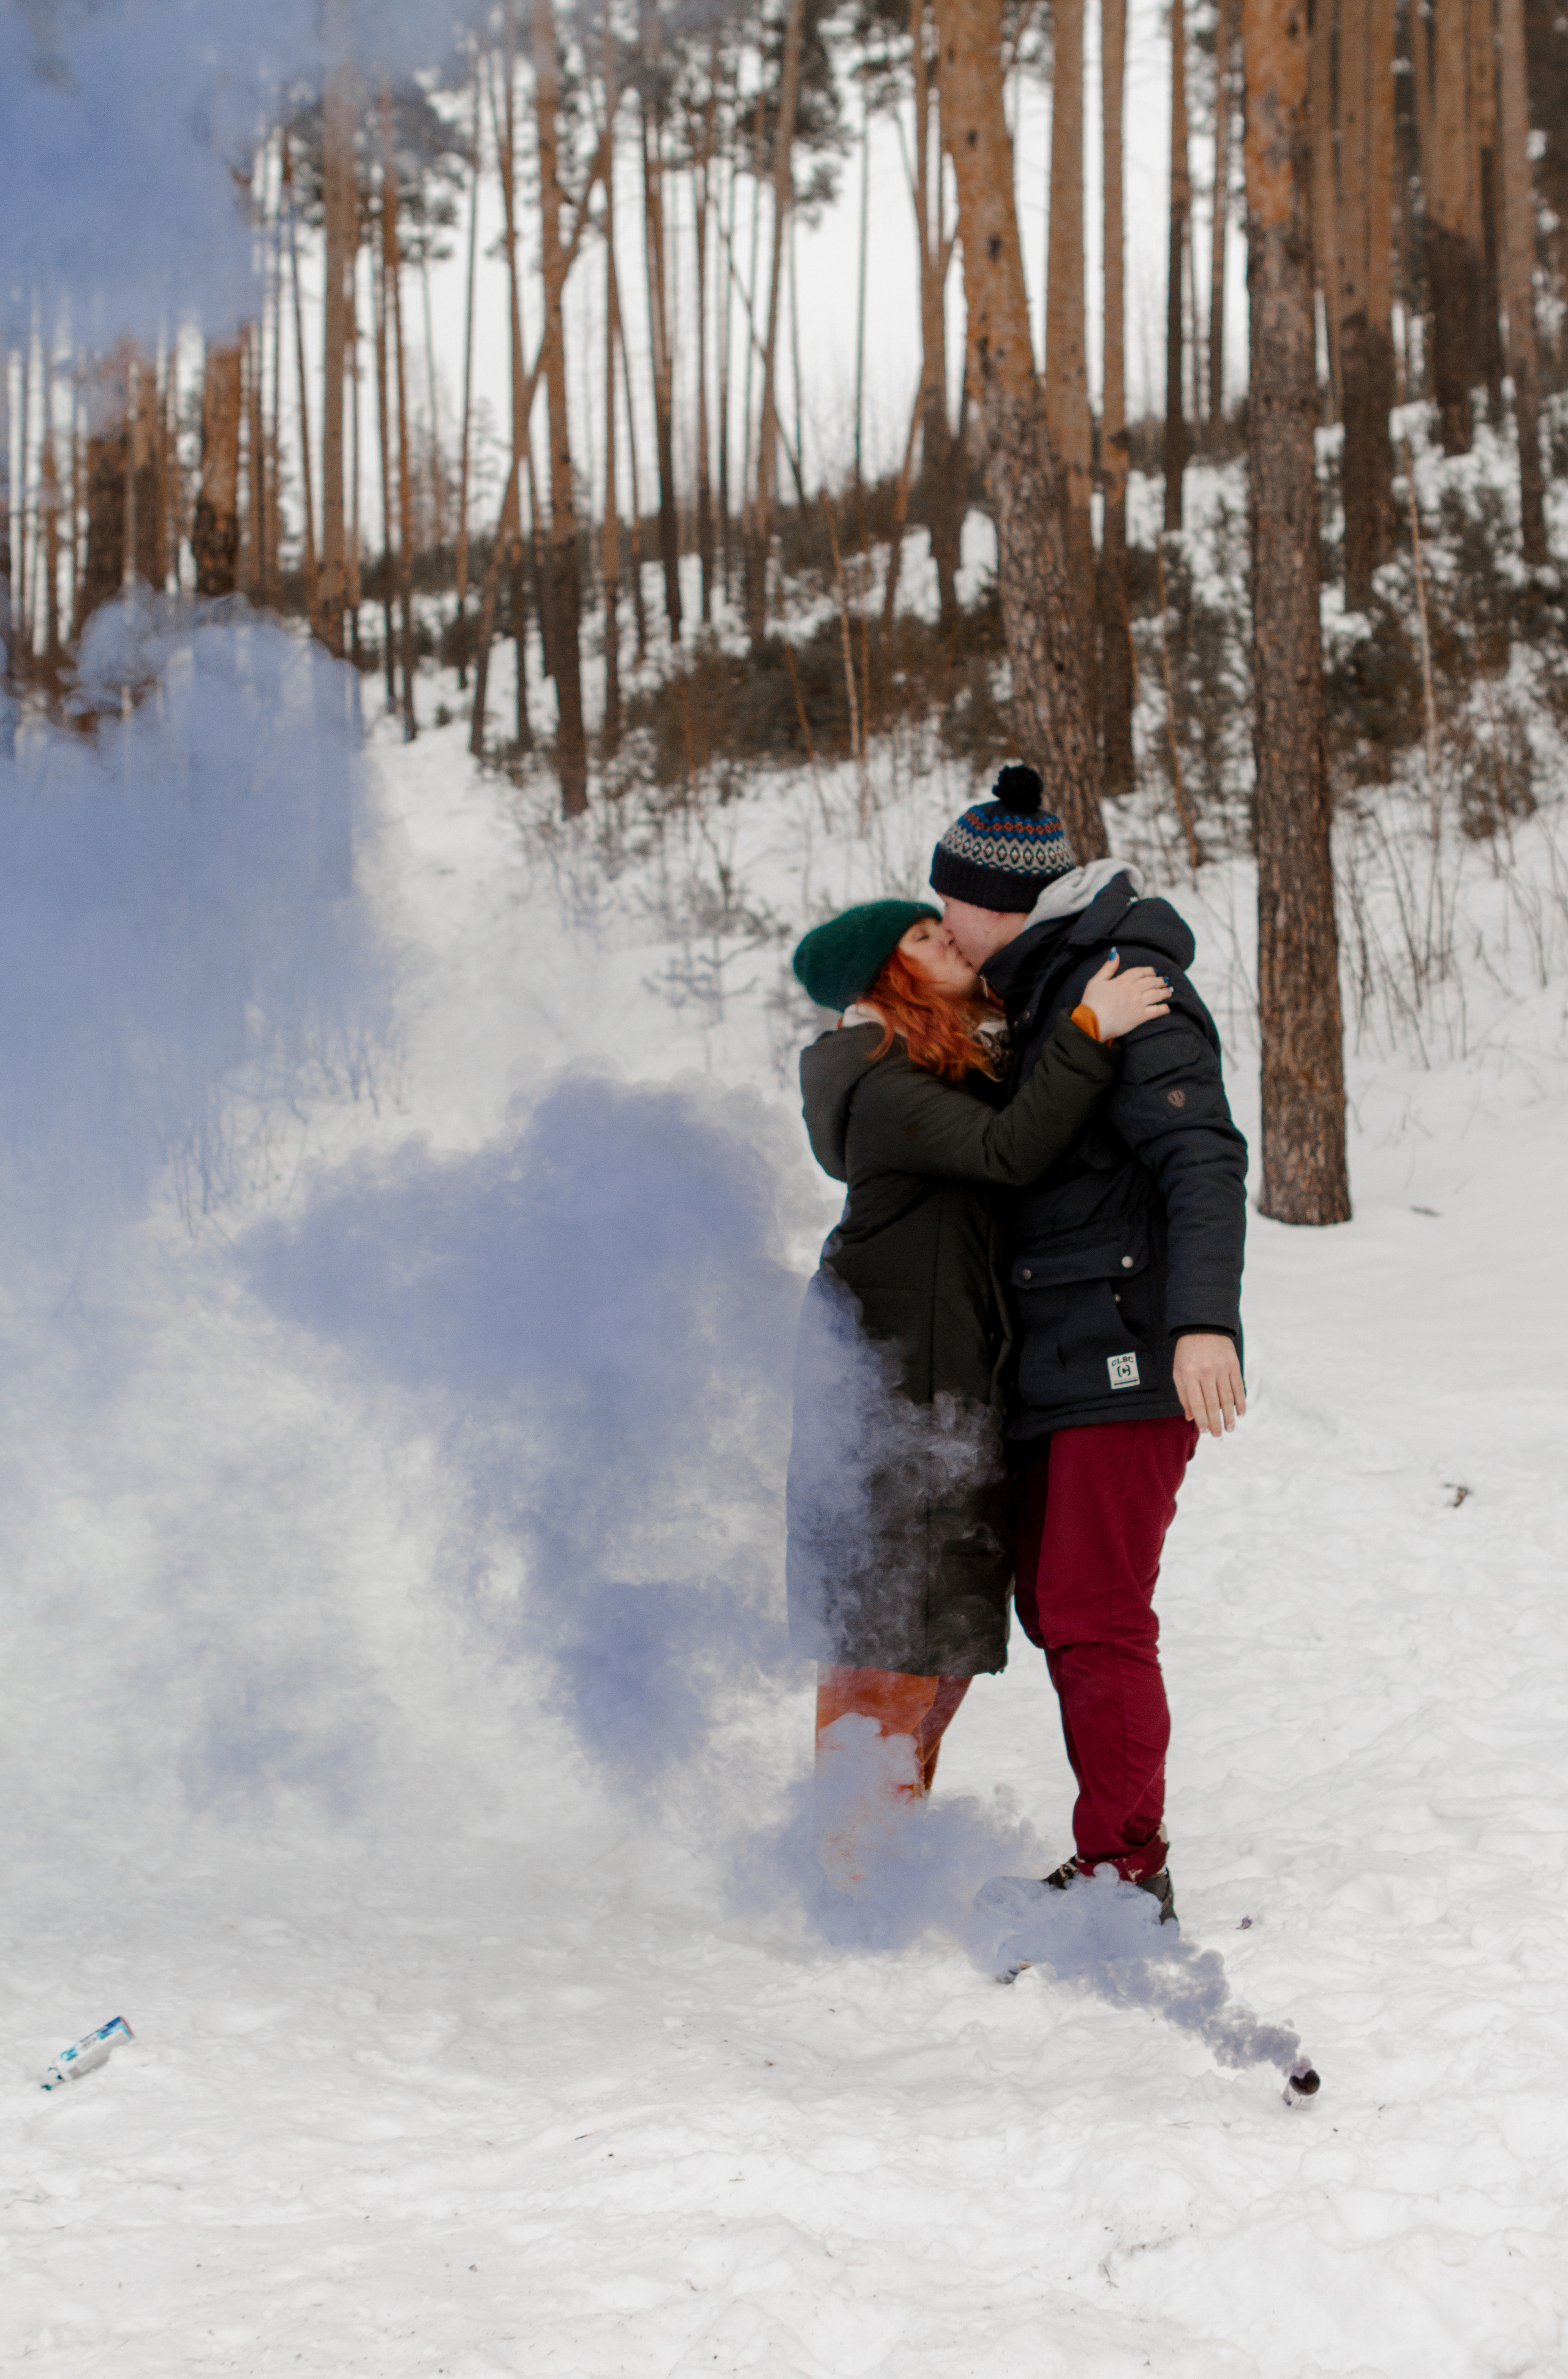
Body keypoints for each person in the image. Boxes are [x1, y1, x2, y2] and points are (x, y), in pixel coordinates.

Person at [786, 898, 1171, 1880]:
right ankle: (852, 1869)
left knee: (939, 1624)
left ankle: (882, 1852)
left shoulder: (931, 1066)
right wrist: (1087, 1028)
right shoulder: (882, 1083)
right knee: (890, 1623)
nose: (947, 939)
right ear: (884, 982)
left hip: (945, 1380)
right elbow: (1009, 1151)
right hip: (890, 1386)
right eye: (922, 938)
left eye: (938, 925)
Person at [929, 763, 1249, 1924]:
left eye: (949, 902)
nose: (940, 922)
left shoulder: (1128, 979)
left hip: (1123, 1350)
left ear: (997, 903)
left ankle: (1126, 1874)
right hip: (1054, 1353)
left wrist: (1202, 1323)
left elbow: (1201, 1155)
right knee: (1062, 1610)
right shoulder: (1042, 989)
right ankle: (1119, 1860)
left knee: (1093, 1610)